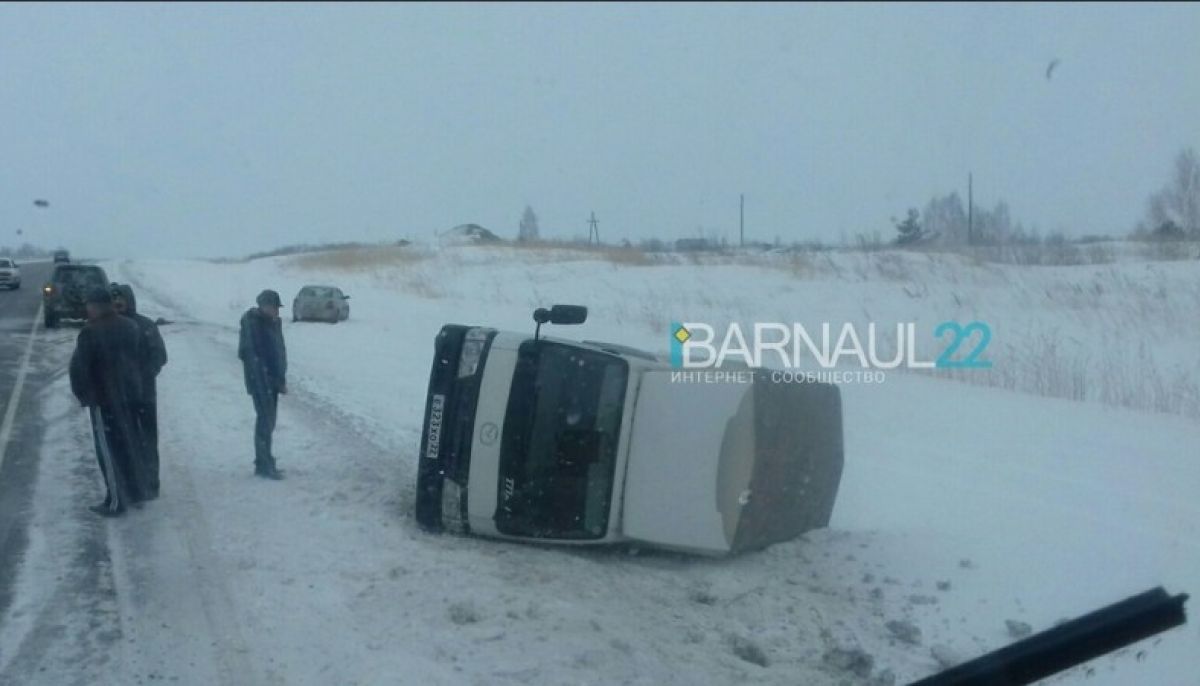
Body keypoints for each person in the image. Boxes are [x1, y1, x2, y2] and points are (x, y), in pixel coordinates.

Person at [69, 286, 148, 516]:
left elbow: (81, 369)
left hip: (104, 400)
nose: (87, 309)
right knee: (128, 446)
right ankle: (135, 491)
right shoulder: (130, 326)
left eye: (89, 305)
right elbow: (138, 361)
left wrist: (85, 396)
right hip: (129, 397)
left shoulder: (91, 332)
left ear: (95, 306)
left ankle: (115, 501)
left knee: (109, 452)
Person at [112, 283, 168, 498]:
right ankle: (130, 484)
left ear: (129, 300)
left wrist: (142, 374)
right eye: (114, 300)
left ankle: (151, 483)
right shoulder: (109, 327)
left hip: (144, 395)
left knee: (147, 440)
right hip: (117, 397)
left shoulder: (145, 325)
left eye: (121, 300)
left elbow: (160, 356)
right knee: (125, 440)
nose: (118, 304)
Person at [239, 289, 288, 480]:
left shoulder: (273, 323)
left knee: (269, 421)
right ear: (264, 306)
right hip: (260, 380)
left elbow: (278, 352)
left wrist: (280, 379)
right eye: (274, 307)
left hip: (272, 380)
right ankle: (263, 465)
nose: (276, 311)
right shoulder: (252, 323)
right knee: (264, 422)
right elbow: (250, 354)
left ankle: (265, 460)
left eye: (277, 307)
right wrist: (262, 380)